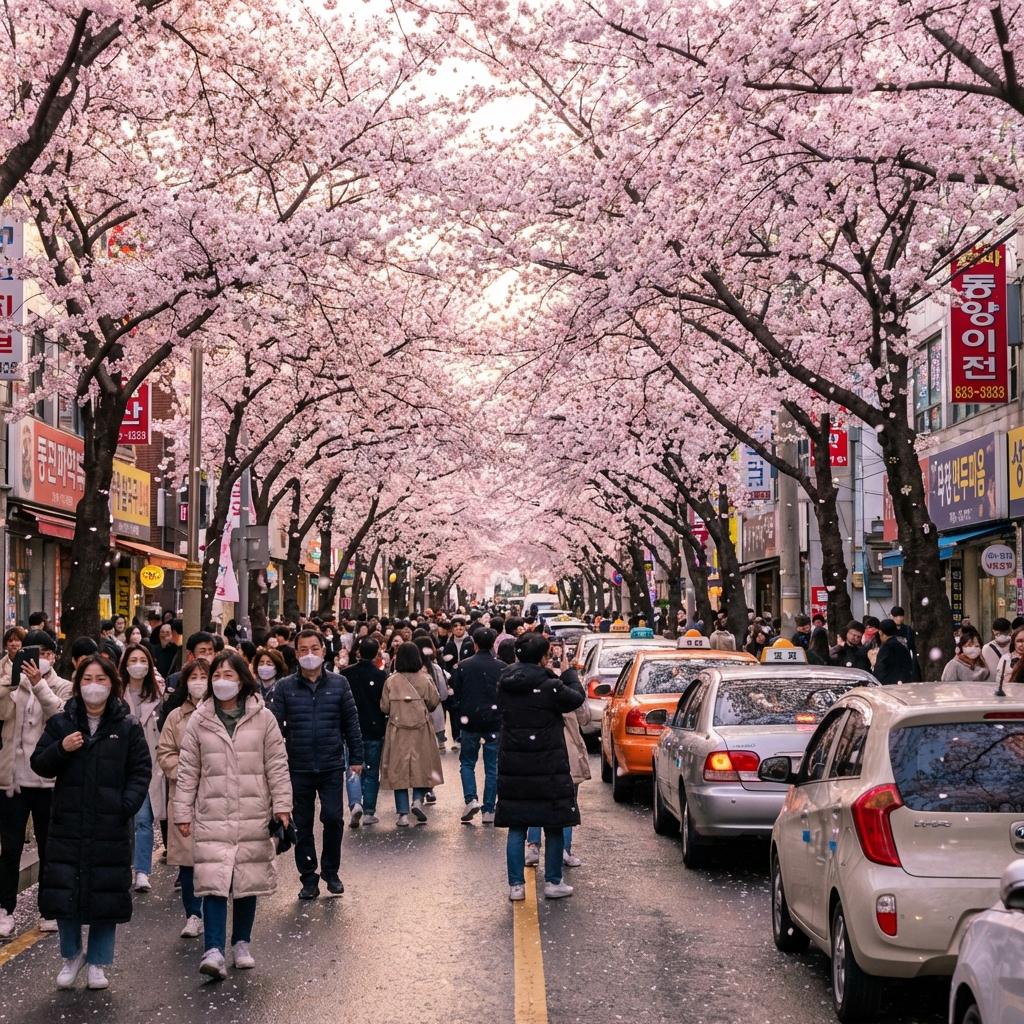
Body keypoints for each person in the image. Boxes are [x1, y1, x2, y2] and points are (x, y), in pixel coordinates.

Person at [30, 655, 151, 991]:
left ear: (112, 684)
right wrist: (61, 748)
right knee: (65, 892)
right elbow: (39, 763)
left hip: (109, 826)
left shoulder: (126, 726)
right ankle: (71, 956)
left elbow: (141, 770)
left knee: (105, 895)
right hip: (68, 823)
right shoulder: (61, 722)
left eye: (100, 679)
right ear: (78, 683)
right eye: (87, 679)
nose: (93, 686)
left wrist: (124, 806)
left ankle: (98, 962)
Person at [173, 652, 292, 980]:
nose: (222, 681)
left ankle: (241, 942)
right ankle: (213, 949)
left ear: (242, 679)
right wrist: (181, 811)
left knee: (246, 880)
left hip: (253, 811)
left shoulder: (263, 718)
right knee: (213, 881)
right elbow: (187, 771)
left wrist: (283, 807)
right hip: (212, 813)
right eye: (217, 675)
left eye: (229, 674)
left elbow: (277, 765)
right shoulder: (200, 719)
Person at [270, 630, 363, 899]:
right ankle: (308, 877)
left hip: (331, 763)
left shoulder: (339, 684)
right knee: (302, 824)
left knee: (333, 818)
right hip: (297, 765)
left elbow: (351, 722)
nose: (309, 654)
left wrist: (356, 757)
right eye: (303, 650)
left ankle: (331, 872)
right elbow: (275, 729)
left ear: (324, 651)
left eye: (314, 648)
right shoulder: (285, 687)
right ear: (296, 653)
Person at [496, 632, 585, 902]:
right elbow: (576, 699)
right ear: (543, 656)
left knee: (517, 825)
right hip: (548, 763)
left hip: (514, 762)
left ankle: (516, 885)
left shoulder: (506, 683)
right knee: (554, 823)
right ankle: (553, 881)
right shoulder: (550, 686)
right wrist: (568, 673)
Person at [0, 630, 73, 938]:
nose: (37, 659)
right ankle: (5, 909)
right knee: (11, 846)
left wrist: (40, 685)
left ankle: (49, 908)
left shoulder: (63, 686)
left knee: (48, 846)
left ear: (53, 656)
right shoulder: (13, 683)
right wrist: (12, 682)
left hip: (48, 779)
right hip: (12, 779)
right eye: (33, 653)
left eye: (44, 653)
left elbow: (60, 716)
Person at [156, 659, 210, 939]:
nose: (199, 681)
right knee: (188, 861)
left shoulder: (221, 713)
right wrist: (187, 773)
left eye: (204, 676)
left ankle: (213, 913)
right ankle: (193, 914)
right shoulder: (176, 716)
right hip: (185, 796)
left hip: (215, 796)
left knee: (212, 859)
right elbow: (165, 752)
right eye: (194, 676)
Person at [526, 649, 590, 870]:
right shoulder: (569, 695)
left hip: (539, 753)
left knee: (536, 800)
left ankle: (533, 846)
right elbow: (585, 717)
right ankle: (564, 850)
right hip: (568, 753)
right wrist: (573, 680)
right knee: (567, 804)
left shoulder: (533, 692)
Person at [379, 642, 443, 827]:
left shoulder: (391, 681)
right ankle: (417, 800)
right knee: (422, 766)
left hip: (397, 731)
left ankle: (403, 815)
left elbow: (384, 707)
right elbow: (433, 702)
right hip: (421, 729)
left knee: (398, 771)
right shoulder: (425, 679)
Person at [118, 643, 165, 893]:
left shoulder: (158, 694)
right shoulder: (116, 693)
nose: (138, 665)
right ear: (125, 664)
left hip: (148, 764)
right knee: (122, 819)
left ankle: (142, 870)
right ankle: (122, 867)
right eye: (133, 660)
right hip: (119, 763)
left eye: (142, 660)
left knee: (144, 820)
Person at [448, 627, 504, 824]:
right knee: (492, 766)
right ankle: (489, 808)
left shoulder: (463, 666)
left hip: (469, 720)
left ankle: (471, 799)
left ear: (475, 644)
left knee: (468, 763)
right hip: (494, 721)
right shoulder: (502, 667)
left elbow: (453, 694)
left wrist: (459, 712)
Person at [341, 638, 388, 826]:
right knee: (371, 770)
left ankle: (355, 804)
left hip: (351, 727)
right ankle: (369, 811)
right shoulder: (381, 675)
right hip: (374, 727)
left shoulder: (346, 674)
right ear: (377, 653)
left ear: (359, 652)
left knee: (353, 767)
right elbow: (384, 704)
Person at [441, 618, 474, 748]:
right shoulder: (449, 644)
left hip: (468, 682)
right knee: (454, 710)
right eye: (455, 626)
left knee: (467, 709)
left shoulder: (470, 643)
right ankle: (457, 737)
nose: (458, 629)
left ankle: (467, 736)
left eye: (461, 626)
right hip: (453, 683)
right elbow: (445, 664)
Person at [872, 619, 915, 685]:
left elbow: (880, 669)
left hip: (888, 687)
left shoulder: (886, 647)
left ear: (880, 632)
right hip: (903, 684)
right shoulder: (903, 646)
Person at [994, 626, 1024, 693]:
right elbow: (999, 683)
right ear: (1014, 642)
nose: (1023, 645)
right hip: (1010, 698)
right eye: (1019, 641)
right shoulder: (1006, 659)